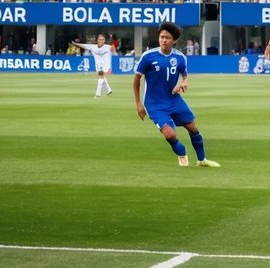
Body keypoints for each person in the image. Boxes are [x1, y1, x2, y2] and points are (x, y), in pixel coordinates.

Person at [133, 21, 219, 167]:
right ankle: (181, 151)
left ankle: (201, 160)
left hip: (174, 100)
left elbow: (184, 75)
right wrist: (138, 104)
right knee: (170, 135)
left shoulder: (180, 58)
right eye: (161, 37)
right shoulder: (148, 56)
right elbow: (136, 81)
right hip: (154, 103)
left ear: (174, 40)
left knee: (193, 128)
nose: (163, 40)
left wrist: (184, 82)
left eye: (167, 37)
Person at [72, 33, 116, 98]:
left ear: (104, 41)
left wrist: (113, 49)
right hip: (98, 65)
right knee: (102, 77)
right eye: (99, 39)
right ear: (97, 40)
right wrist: (75, 43)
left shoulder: (108, 47)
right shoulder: (93, 47)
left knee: (101, 78)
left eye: (102, 39)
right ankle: (108, 90)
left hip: (106, 66)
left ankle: (98, 94)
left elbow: (114, 52)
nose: (101, 41)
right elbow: (84, 46)